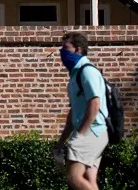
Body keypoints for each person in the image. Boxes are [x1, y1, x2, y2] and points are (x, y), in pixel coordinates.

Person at [55, 31, 108, 190]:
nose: (62, 52)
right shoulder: (75, 75)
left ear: (78, 49)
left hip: (92, 132)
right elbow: (74, 113)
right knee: (88, 180)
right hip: (93, 133)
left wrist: (80, 135)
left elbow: (95, 104)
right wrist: (61, 141)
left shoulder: (87, 71)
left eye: (66, 48)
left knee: (74, 176)